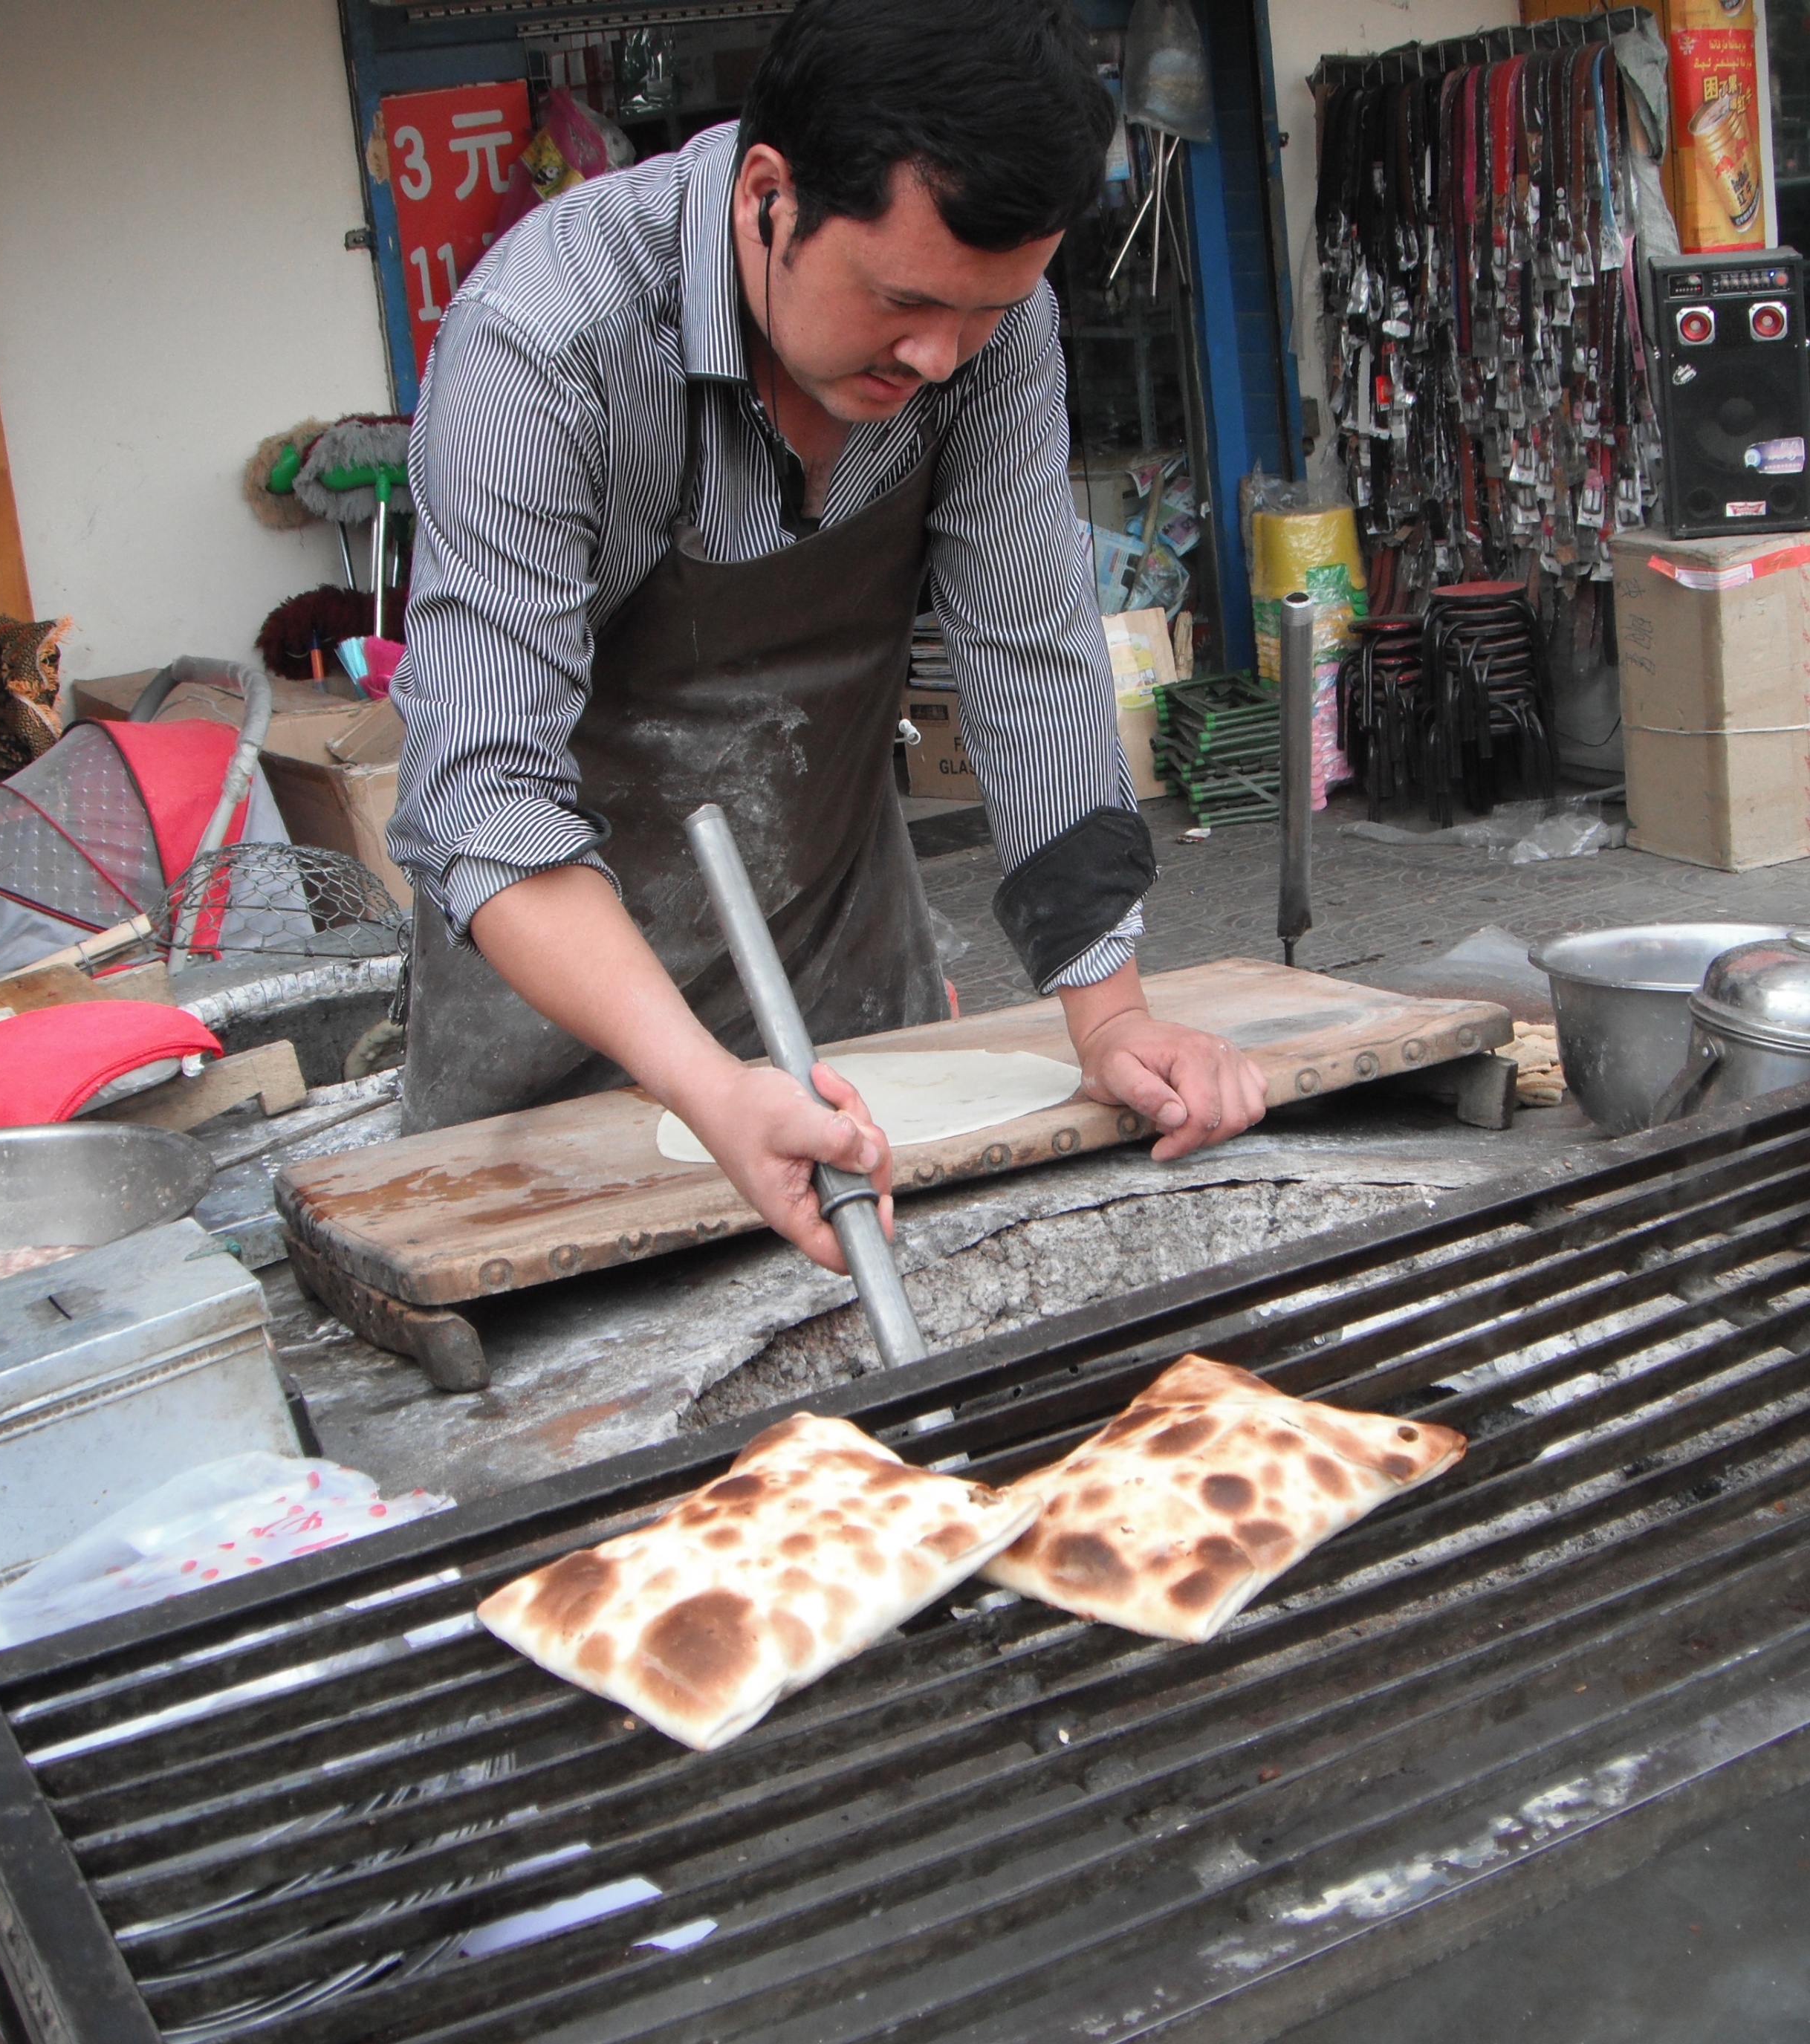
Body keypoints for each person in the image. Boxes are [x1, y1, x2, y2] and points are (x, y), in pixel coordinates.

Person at [389, 0, 1267, 1276]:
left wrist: (1108, 1013)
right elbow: (481, 790)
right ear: (766, 195)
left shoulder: (985, 326)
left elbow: (1025, 649)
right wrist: (707, 1084)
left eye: (980, 314)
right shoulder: (545, 347)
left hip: (841, 971)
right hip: (549, 1029)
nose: (934, 353)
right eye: (900, 302)